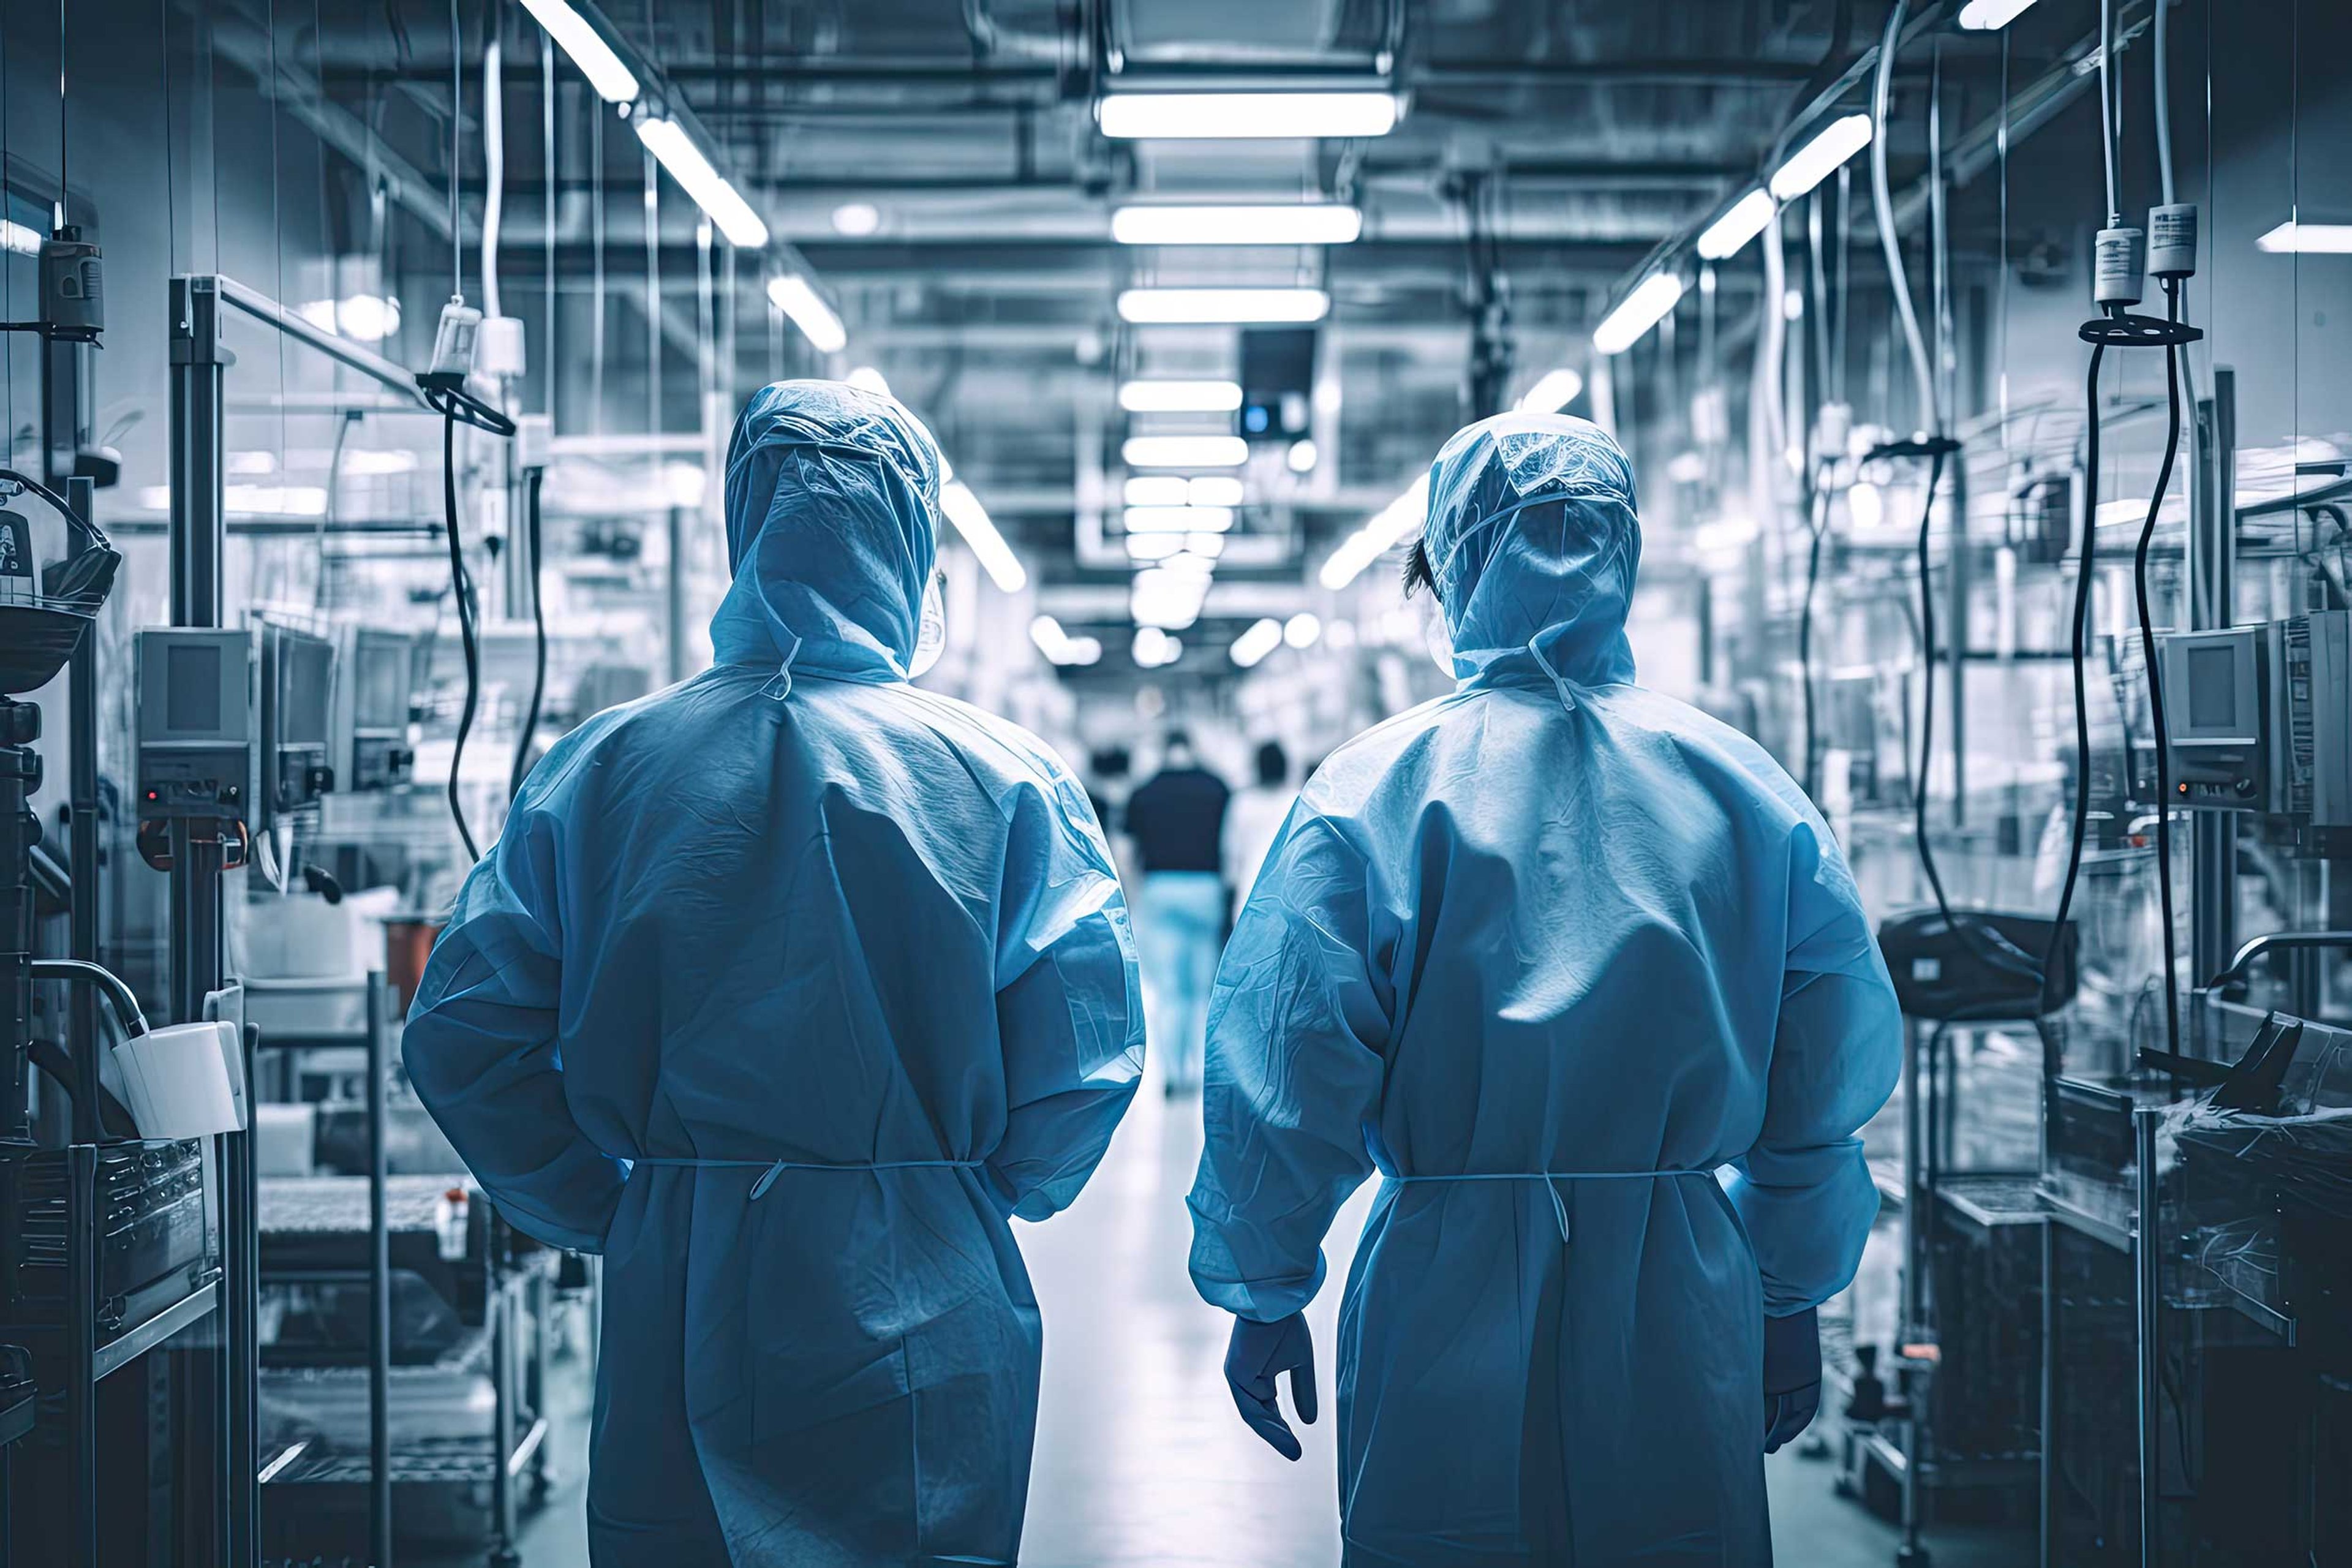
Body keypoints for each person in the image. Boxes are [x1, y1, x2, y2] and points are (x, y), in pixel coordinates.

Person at [403, 380, 1144, 1568]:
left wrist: (611, 1204)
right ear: (913, 540)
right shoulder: (1003, 777)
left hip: (681, 1272)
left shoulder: (603, 769)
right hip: (924, 1277)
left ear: (743, 525)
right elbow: (1086, 1056)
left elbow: (461, 1031)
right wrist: (955, 1190)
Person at [1188, 412, 1901, 1565]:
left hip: (1441, 1284)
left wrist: (1265, 1289)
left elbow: (1285, 1064)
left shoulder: (1373, 794)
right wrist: (1787, 1295)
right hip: (1682, 1286)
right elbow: (1820, 1078)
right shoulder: (1745, 793)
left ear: (1451, 569)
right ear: (1625, 553)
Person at [1121, 730, 1231, 1095]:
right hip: (1206, 889)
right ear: (1193, 748)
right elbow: (1229, 847)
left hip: (1160, 889)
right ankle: (1200, 1072)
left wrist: (1134, 899)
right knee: (1202, 990)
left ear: (1164, 750)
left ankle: (1172, 1073)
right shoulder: (1218, 788)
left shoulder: (1144, 792)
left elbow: (1127, 854)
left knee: (1169, 989)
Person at [1221, 739, 1297, 907]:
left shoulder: (1243, 803)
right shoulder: (1296, 800)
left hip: (1249, 889)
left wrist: (1229, 889)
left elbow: (1231, 852)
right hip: (1290, 891)